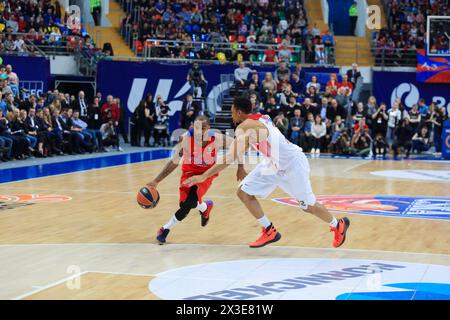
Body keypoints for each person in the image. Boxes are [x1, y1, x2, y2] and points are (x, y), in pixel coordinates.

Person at [184, 96, 350, 249]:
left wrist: (203, 176)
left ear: (239, 112)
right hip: (273, 164)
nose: (231, 115)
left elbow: (229, 157)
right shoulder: (261, 117)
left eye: (232, 111)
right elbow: (246, 145)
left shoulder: (244, 126)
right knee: (243, 192)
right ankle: (268, 230)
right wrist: (241, 167)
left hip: (293, 164)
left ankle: (338, 224)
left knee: (309, 207)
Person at [147, 116, 236, 244]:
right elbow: (174, 162)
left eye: (202, 128)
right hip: (188, 174)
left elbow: (239, 146)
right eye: (196, 128)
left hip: (206, 174)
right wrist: (156, 181)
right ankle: (205, 207)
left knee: (189, 203)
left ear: (209, 128)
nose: (199, 131)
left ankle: (165, 229)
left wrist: (241, 168)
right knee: (184, 205)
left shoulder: (217, 138)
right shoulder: (186, 140)